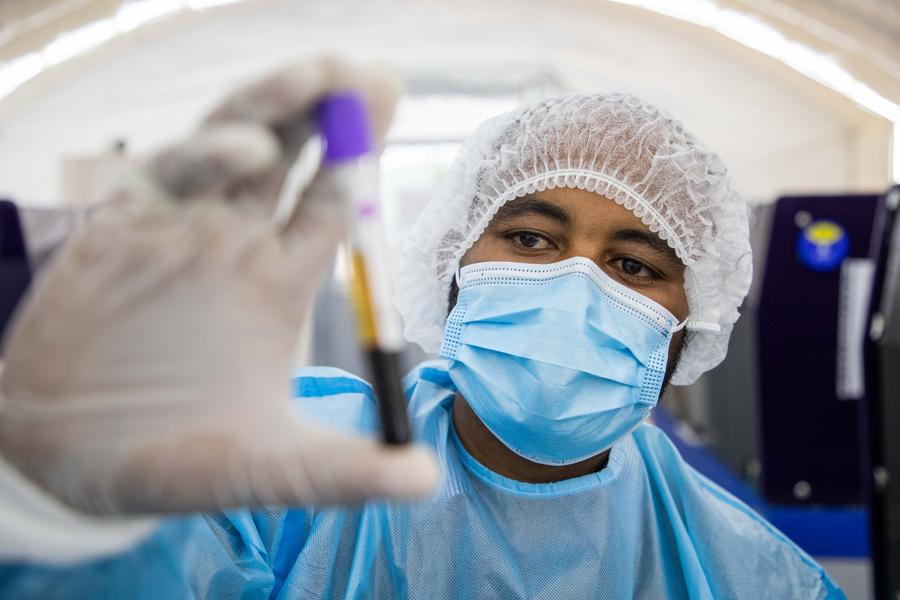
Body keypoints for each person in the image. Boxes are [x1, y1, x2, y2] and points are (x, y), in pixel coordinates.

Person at [0, 77, 844, 598]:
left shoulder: (752, 573)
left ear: (688, 330)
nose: (573, 285)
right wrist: (64, 496)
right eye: (531, 240)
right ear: (453, 262)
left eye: (632, 265)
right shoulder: (274, 472)